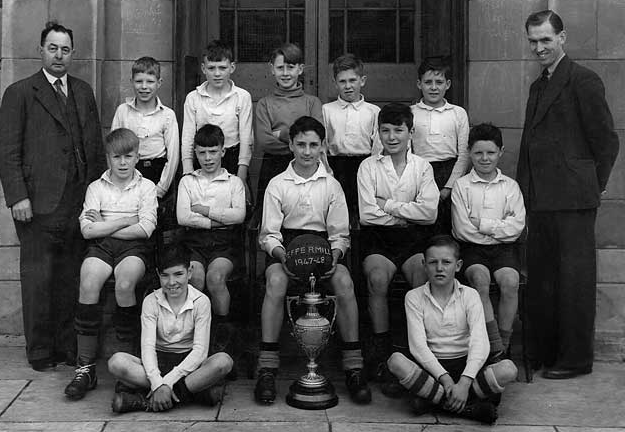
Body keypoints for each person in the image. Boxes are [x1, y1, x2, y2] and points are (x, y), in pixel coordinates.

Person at [0, 21, 105, 371]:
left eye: (66, 49)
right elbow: (6, 150)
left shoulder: (84, 92)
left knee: (70, 277)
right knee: (38, 278)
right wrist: (18, 198)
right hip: (37, 204)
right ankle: (40, 350)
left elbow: (96, 149)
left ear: (73, 53)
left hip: (77, 202)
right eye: (53, 48)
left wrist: (97, 200)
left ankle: (67, 346)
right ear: (41, 50)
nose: (59, 55)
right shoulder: (21, 92)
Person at [517, 10, 619, 379]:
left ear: (563, 38)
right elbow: (530, 143)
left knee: (574, 281)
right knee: (544, 278)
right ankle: (546, 351)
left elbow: (606, 141)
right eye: (533, 41)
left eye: (546, 39)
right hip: (541, 200)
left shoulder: (583, 80)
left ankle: (575, 359)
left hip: (574, 200)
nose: (539, 48)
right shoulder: (538, 85)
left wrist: (593, 186)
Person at [254, 116, 371, 405]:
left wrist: (335, 256)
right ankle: (267, 367)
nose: (307, 151)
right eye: (301, 144)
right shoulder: (277, 184)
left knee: (344, 281)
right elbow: (268, 233)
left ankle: (353, 366)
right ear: (291, 145)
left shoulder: (331, 185)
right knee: (275, 282)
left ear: (322, 147)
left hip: (323, 251)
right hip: (287, 250)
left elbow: (340, 233)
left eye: (313, 145)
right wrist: (283, 257)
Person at [64, 128, 158, 400]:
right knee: (89, 281)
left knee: (125, 283)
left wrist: (103, 224)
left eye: (129, 156)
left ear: (137, 157)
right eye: (117, 157)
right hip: (102, 247)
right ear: (108, 158)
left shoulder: (146, 187)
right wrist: (125, 221)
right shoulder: (96, 187)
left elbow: (145, 229)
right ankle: (86, 367)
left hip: (134, 247)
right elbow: (87, 231)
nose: (123, 162)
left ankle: (125, 368)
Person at [387, 235, 518, 424]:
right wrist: (447, 380)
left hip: (468, 367)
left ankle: (436, 400)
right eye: (433, 262)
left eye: (446, 262)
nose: (439, 268)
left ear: (458, 265)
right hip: (434, 369)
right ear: (424, 264)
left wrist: (465, 382)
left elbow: (480, 343)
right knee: (396, 361)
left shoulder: (470, 295)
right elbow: (418, 347)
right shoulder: (414, 297)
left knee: (508, 369)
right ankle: (469, 408)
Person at [357, 102, 439, 396]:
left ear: (411, 132)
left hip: (414, 239)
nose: (391, 137)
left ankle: (412, 350)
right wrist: (407, 212)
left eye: (398, 130)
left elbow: (429, 213)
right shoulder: (368, 166)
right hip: (378, 239)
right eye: (385, 131)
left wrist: (388, 205)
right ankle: (380, 352)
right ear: (378, 133)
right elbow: (367, 214)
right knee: (377, 278)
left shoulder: (422, 167)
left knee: (421, 277)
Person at [107, 244, 233, 413]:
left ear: (189, 272)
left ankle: (145, 401)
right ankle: (188, 394)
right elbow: (148, 347)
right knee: (116, 363)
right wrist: (158, 381)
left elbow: (200, 352)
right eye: (165, 276)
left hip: (189, 364)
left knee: (223, 362)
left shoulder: (201, 301)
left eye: (178, 274)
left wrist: (167, 383)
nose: (172, 282)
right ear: (158, 274)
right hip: (157, 362)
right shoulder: (151, 301)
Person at [451, 123, 525, 360]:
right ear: (470, 153)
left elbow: (516, 228)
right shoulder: (462, 186)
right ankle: (493, 345)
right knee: (480, 281)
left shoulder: (510, 187)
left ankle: (504, 343)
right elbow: (462, 230)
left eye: (491, 153)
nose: (484, 158)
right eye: (478, 153)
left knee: (510, 281)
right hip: (472, 250)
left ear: (500, 152)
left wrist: (482, 224)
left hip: (504, 250)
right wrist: (499, 226)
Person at [176, 124, 246, 355]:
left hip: (225, 244)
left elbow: (239, 215)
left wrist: (205, 210)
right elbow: (183, 217)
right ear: (195, 153)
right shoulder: (188, 182)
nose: (207, 158)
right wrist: (218, 219)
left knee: (215, 278)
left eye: (213, 152)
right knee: (195, 277)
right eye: (202, 153)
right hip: (194, 243)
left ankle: (221, 336)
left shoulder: (233, 182)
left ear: (223, 151)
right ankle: (195, 336)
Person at [254, 43, 323, 207]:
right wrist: (299, 142)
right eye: (280, 68)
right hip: (273, 165)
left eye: (290, 67)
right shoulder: (265, 104)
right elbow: (265, 141)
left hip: (306, 167)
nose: (285, 73)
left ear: (300, 69)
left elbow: (317, 136)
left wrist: (280, 133)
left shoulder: (312, 103)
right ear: (272, 69)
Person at [181, 40, 253, 192]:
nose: (217, 73)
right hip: (203, 159)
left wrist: (242, 173)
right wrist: (188, 171)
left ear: (232, 67)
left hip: (232, 159)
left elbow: (247, 138)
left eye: (222, 68)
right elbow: (187, 138)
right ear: (203, 69)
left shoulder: (242, 97)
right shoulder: (193, 98)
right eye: (211, 68)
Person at [411, 57, 469, 233]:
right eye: (428, 82)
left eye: (439, 82)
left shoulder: (458, 113)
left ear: (448, 84)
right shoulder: (412, 113)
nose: (434, 87)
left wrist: (449, 186)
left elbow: (464, 153)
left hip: (450, 173)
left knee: (447, 225)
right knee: (422, 225)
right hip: (420, 173)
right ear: (419, 84)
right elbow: (408, 151)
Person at [111, 56, 179, 200]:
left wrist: (161, 189)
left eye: (150, 82)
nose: (144, 87)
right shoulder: (123, 111)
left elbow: (173, 156)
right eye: (139, 81)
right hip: (129, 173)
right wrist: (119, 182)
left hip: (157, 174)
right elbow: (113, 149)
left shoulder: (167, 115)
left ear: (159, 83)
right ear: (131, 82)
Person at [322, 53, 380, 211]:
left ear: (362, 80)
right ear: (335, 83)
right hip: (336, 166)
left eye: (352, 80)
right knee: (337, 209)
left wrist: (373, 173)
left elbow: (377, 147)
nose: (348, 86)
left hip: (364, 166)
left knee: (362, 209)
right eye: (342, 81)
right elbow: (323, 145)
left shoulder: (373, 112)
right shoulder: (327, 110)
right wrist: (328, 172)